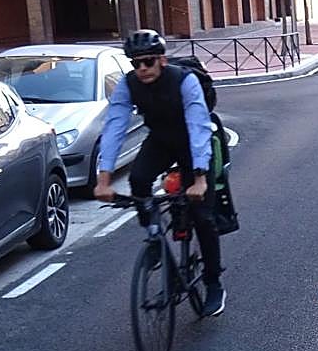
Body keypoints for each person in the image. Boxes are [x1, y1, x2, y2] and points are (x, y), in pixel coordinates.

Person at [94, 29, 225, 317]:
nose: (142, 68)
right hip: (161, 140)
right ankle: (153, 234)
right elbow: (115, 126)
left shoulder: (184, 80)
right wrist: (104, 178)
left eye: (148, 61)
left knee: (203, 217)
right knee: (138, 179)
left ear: (162, 60)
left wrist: (200, 179)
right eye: (136, 63)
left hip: (192, 144)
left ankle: (214, 283)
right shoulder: (128, 84)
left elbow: (198, 126)